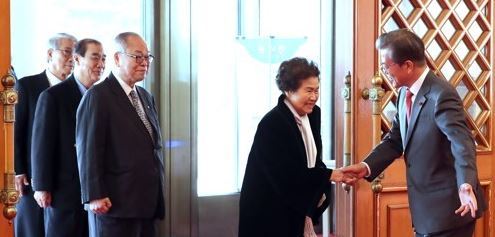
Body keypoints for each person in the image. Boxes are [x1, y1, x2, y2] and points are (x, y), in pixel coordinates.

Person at [341, 29, 486, 237]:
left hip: (450, 210)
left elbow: (462, 142)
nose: (383, 73)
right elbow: (395, 140)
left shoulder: (441, 94)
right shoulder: (403, 94)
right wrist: (366, 167)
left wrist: (465, 184)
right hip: (426, 212)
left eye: (385, 66)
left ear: (407, 65)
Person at [239, 57, 350, 237]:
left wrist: (332, 176)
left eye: (317, 90)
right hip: (268, 211)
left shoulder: (313, 115)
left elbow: (313, 161)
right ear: (289, 90)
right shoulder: (272, 124)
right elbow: (285, 174)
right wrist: (329, 175)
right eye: (308, 91)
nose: (314, 97)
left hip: (295, 210)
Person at [76, 32, 164, 237]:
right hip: (115, 206)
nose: (144, 63)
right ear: (117, 58)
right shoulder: (98, 96)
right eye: (137, 56)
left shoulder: (145, 96)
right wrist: (94, 195)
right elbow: (88, 148)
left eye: (147, 57)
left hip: (146, 203)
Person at [30, 38, 106, 237]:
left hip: (97, 192)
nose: (101, 64)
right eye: (95, 57)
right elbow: (42, 144)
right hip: (64, 190)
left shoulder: (103, 96)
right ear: (77, 59)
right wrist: (41, 186)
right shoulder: (53, 96)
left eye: (104, 58)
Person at [14, 32, 77, 237]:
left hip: (65, 182)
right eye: (67, 52)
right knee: (33, 229)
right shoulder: (27, 86)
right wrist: (18, 169)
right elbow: (15, 130)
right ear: (50, 53)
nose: (72, 58)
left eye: (75, 53)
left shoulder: (76, 91)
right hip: (32, 178)